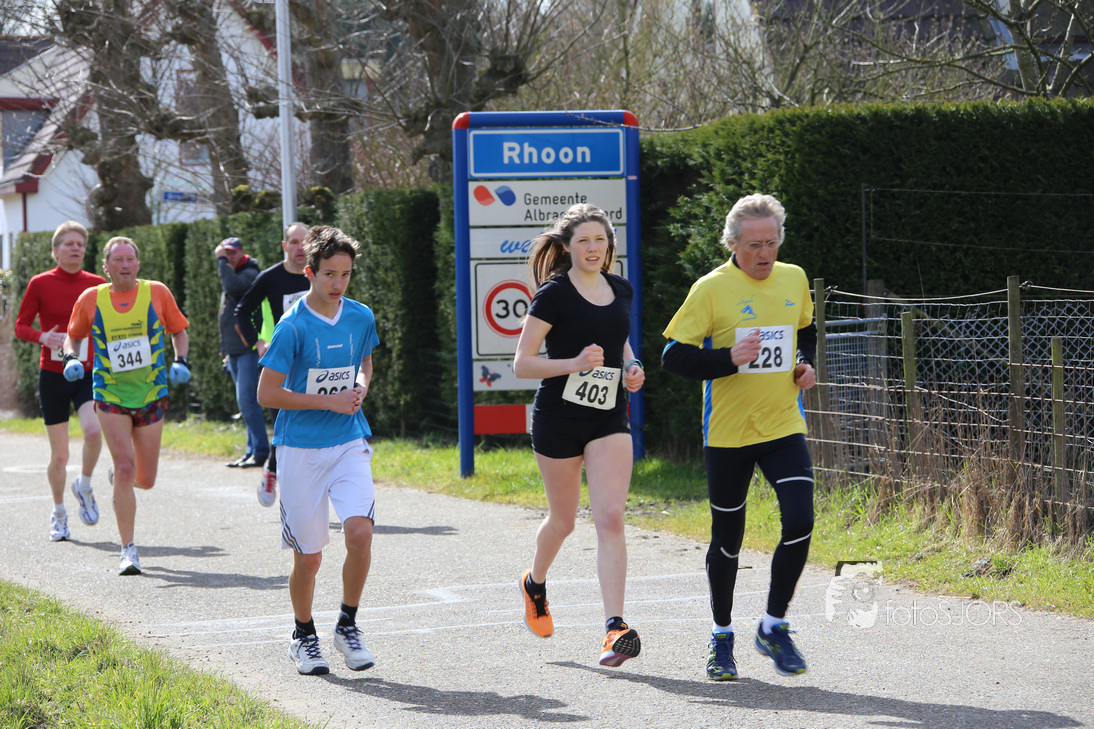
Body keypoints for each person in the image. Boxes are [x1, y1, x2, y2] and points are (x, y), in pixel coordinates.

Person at [661, 193, 817, 680]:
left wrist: (804, 364)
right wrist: (727, 358)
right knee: (727, 539)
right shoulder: (710, 289)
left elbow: (806, 331)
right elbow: (673, 356)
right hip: (728, 434)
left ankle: (773, 625)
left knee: (800, 520)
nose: (764, 254)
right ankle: (722, 635)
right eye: (754, 245)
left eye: (772, 243)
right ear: (732, 244)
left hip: (782, 424)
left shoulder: (794, 278)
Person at [512, 203, 646, 668]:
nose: (593, 248)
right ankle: (535, 582)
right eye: (584, 240)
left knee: (611, 517)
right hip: (558, 419)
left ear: (610, 246)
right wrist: (572, 363)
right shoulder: (553, 295)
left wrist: (631, 364)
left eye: (600, 240)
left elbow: (618, 337)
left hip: (608, 417)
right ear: (567, 247)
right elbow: (522, 363)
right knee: (564, 521)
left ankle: (615, 628)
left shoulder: (621, 288)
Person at [256, 225, 380, 676]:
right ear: (309, 272)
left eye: (345, 274)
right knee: (308, 557)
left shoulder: (361, 316)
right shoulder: (292, 326)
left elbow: (365, 361)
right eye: (329, 274)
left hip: (348, 440)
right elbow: (267, 394)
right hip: (300, 449)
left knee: (360, 532)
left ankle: (347, 625)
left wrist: (360, 387)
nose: (338, 283)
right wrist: (328, 401)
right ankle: (303, 635)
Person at [63, 237, 192, 576]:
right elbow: (72, 335)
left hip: (151, 395)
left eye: (129, 259)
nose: (124, 265)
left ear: (138, 264)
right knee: (125, 467)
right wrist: (71, 357)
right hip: (111, 396)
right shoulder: (91, 299)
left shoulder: (157, 293)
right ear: (106, 267)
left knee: (144, 480)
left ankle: (120, 478)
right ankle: (128, 550)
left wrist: (181, 359)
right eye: (117, 260)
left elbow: (179, 330)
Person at [14, 221, 105, 541]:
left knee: (93, 431)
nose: (76, 248)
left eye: (80, 244)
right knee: (60, 455)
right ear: (56, 251)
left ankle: (84, 484)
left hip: (87, 372)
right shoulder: (40, 283)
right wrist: (44, 337)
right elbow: (21, 326)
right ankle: (59, 513)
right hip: (53, 375)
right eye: (69, 243)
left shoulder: (97, 285)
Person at [234, 221, 309, 506]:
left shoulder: (319, 274)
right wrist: (258, 343)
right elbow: (242, 311)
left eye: (305, 242)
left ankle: (295, 480)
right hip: (282, 362)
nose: (300, 248)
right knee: (286, 423)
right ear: (285, 246)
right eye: (294, 242)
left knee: (311, 423)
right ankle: (274, 472)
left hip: (314, 359)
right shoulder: (270, 277)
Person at [215, 236, 267, 470]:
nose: (229, 257)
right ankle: (251, 450)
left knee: (247, 401)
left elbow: (232, 286)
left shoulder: (249, 273)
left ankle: (261, 451)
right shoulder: (235, 272)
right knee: (244, 402)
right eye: (226, 253)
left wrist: (221, 262)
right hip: (235, 350)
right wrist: (226, 350)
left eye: (233, 253)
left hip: (248, 349)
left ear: (242, 252)